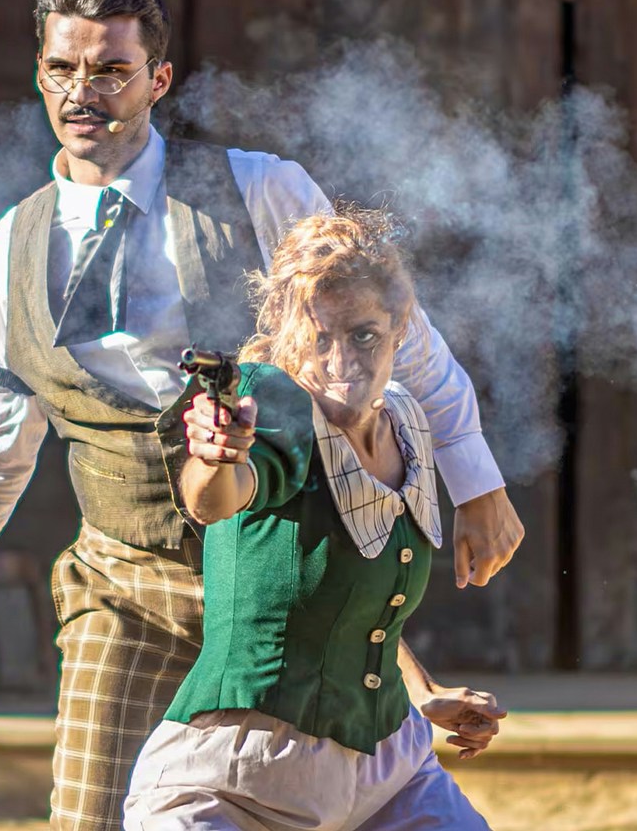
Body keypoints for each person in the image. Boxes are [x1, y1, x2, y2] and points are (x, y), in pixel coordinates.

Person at [0, 0, 522, 831]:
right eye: (62, 69)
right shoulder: (6, 249)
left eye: (110, 71)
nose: (82, 92)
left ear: (158, 80)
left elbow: (399, 332)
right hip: (122, 575)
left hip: (281, 564)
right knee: (89, 820)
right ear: (38, 70)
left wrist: (476, 480)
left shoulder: (259, 188)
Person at [125, 207, 494, 829]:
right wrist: (217, 454)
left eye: (364, 336)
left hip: (389, 773)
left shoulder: (405, 421)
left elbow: (357, 609)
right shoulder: (275, 405)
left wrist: (423, 692)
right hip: (235, 785)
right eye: (319, 339)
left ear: (401, 326)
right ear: (290, 334)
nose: (341, 361)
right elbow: (213, 499)